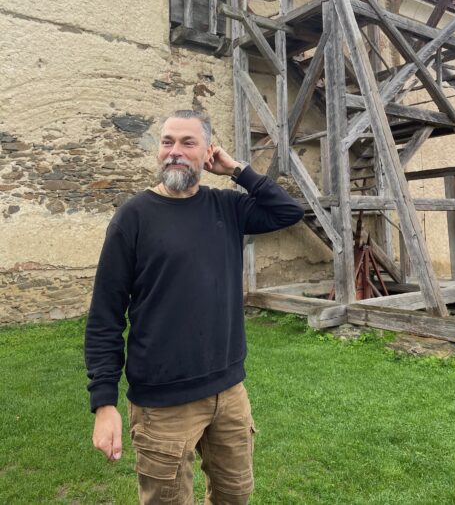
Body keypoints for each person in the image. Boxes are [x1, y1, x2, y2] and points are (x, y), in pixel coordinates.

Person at [84, 109, 304, 504]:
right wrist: (104, 403)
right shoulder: (133, 218)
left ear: (208, 153)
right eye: (167, 142)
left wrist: (237, 170)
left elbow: (287, 211)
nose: (175, 152)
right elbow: (105, 317)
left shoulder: (227, 208)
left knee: (235, 495)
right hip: (162, 403)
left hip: (229, 390)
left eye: (188, 143)